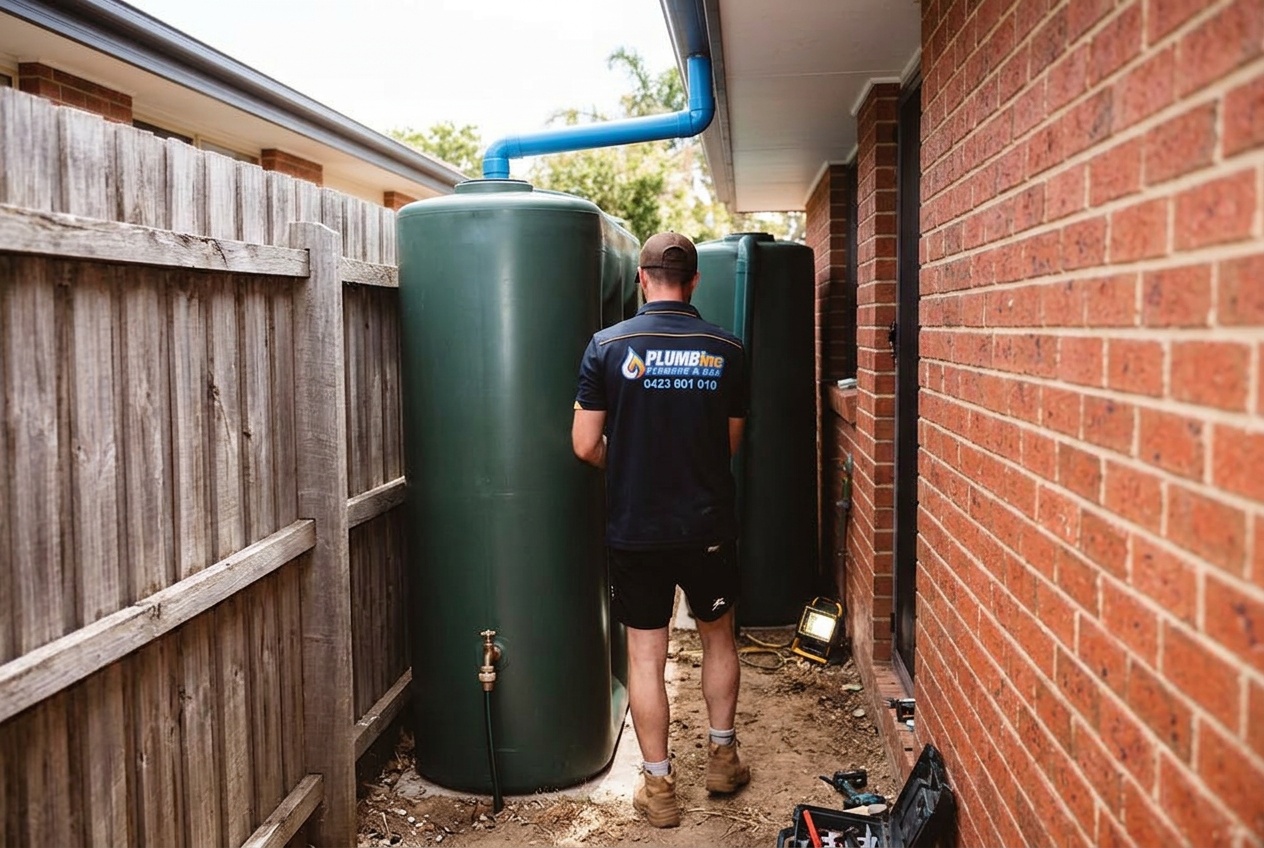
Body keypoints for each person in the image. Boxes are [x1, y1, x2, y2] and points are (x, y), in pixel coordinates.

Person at [571, 231, 750, 828]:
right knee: (718, 638)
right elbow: (729, 443)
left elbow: (584, 445)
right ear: (694, 281)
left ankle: (660, 788)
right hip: (707, 526)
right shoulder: (726, 347)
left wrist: (624, 463)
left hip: (637, 528)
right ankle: (723, 758)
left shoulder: (606, 346)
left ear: (643, 279)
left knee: (646, 657)